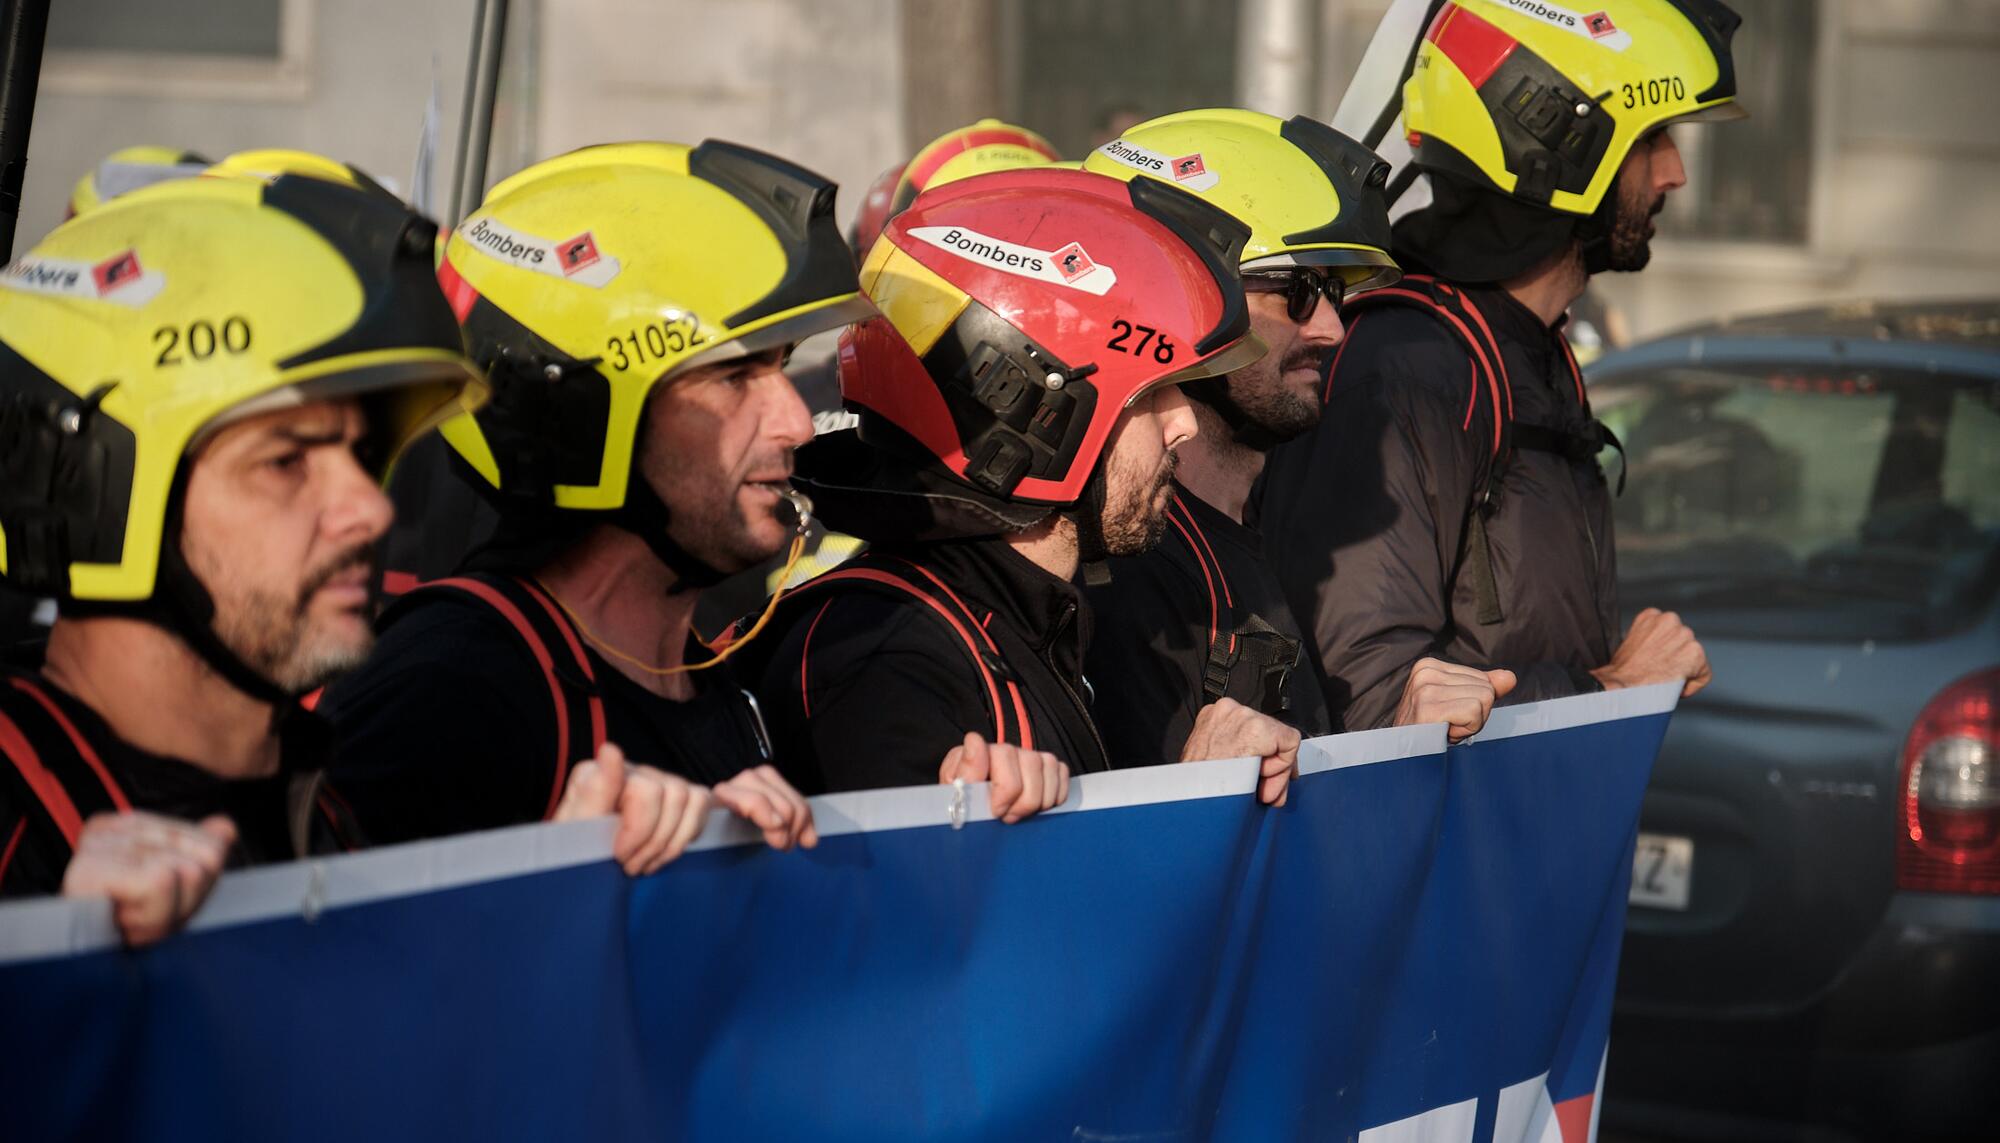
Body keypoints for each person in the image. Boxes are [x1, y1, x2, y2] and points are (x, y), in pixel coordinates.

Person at [319, 141, 894, 851]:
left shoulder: (703, 673)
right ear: (583, 414)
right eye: (734, 376)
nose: (796, 421)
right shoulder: (449, 692)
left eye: (779, 368)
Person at [0, 171, 490, 936]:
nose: (370, 507)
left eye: (364, 456)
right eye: (287, 460)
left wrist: (571, 877)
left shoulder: (318, 798)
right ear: (99, 491)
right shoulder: (24, 842)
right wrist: (40, 956)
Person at [746, 165, 1304, 814]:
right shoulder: (887, 659)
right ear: (1034, 410)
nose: (1183, 424)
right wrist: (1196, 805)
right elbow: (956, 917)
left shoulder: (1029, 619)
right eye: (1153, 392)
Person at [1259, 0, 1738, 729]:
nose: (1673, 173)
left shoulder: (1525, 352)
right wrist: (1614, 690)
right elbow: (1370, 697)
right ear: (1559, 146)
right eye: (1653, 139)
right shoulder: (1407, 370)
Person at [1079, 108, 1516, 763]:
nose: (1333, 329)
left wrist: (1398, 745)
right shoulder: (1137, 582)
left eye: (1335, 294)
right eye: (1297, 292)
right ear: (1185, 298)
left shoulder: (1250, 533)